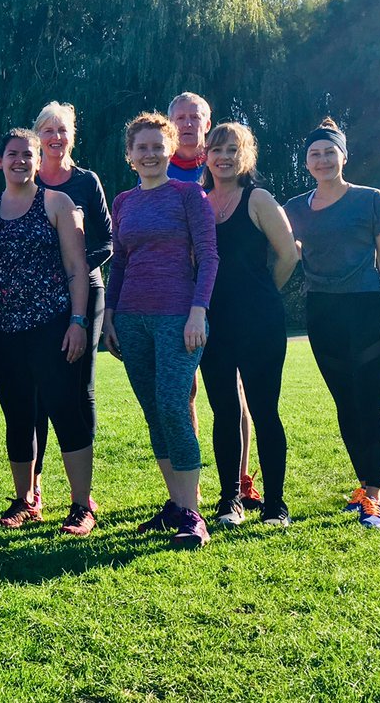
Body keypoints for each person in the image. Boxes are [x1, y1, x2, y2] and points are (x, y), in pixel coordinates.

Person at [0, 129, 95, 536]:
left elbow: (76, 268)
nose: (20, 161)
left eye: (28, 155)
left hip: (52, 326)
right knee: (18, 417)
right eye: (12, 154)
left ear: (39, 162)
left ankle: (81, 506)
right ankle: (25, 501)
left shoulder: (57, 203)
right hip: (2, 331)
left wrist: (78, 322)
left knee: (66, 411)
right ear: (0, 161)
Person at [103, 113, 219, 548]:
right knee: (154, 411)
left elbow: (209, 257)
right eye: (142, 147)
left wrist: (198, 311)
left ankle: (193, 513)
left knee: (173, 405)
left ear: (171, 150)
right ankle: (175, 504)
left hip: (178, 317)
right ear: (130, 155)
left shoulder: (189, 195)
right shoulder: (123, 202)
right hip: (131, 319)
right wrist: (109, 314)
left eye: (158, 146)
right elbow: (120, 262)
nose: (150, 154)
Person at [284, 118, 380, 530]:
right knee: (346, 404)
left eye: (329, 152)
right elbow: (283, 251)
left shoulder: (372, 199)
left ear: (344, 156)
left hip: (367, 310)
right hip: (322, 312)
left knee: (371, 404)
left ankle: (375, 496)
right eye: (314, 154)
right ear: (306, 162)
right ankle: (363, 486)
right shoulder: (295, 208)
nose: (322, 160)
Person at [200, 124, 298, 528]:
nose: (224, 157)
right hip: (213, 325)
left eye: (232, 149)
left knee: (264, 410)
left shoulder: (258, 199)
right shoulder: (200, 202)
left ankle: (275, 504)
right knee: (224, 412)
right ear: (206, 156)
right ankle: (230, 500)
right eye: (216, 149)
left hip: (260, 323)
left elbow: (289, 254)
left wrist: (263, 291)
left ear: (245, 155)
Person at [167, 91, 261, 508]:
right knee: (182, 392)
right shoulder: (156, 164)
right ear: (171, 124)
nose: (188, 124)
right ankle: (192, 487)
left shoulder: (226, 168)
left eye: (195, 117)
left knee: (233, 391)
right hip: (176, 299)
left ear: (207, 125)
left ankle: (240, 480)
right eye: (181, 118)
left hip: (225, 301)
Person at [29, 102, 112, 518]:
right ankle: (33, 489)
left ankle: (83, 494)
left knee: (81, 388)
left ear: (71, 136)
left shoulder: (86, 181)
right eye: (48, 130)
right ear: (37, 137)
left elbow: (108, 239)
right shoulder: (26, 179)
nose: (55, 137)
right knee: (37, 393)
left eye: (62, 130)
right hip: (36, 301)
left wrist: (74, 269)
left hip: (87, 293)